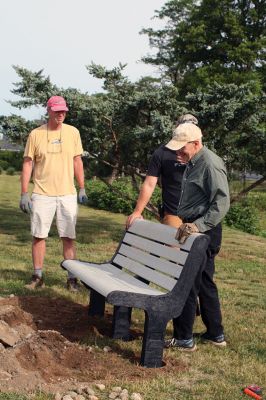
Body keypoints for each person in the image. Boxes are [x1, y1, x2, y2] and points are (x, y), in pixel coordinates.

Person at [163, 122, 230, 351]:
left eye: (183, 148)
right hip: (197, 228)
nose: (178, 153)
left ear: (196, 143)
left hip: (204, 230)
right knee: (204, 282)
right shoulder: (194, 160)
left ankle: (183, 339)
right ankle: (215, 333)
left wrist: (197, 226)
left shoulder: (209, 163)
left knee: (187, 282)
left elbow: (221, 203)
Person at [19, 95, 88, 291]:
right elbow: (28, 163)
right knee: (39, 236)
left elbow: (77, 161)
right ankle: (37, 276)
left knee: (68, 236)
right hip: (42, 193)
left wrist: (82, 187)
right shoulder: (36, 134)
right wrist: (24, 192)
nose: (61, 114)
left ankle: (71, 278)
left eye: (64, 110)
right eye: (57, 110)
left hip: (67, 193)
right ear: (48, 111)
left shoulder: (73, 132)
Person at [126, 114, 198, 229]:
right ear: (176, 128)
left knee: (198, 246)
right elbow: (149, 183)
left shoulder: (202, 154)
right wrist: (137, 211)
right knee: (172, 246)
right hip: (174, 213)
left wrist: (191, 161)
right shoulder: (163, 152)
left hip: (198, 214)